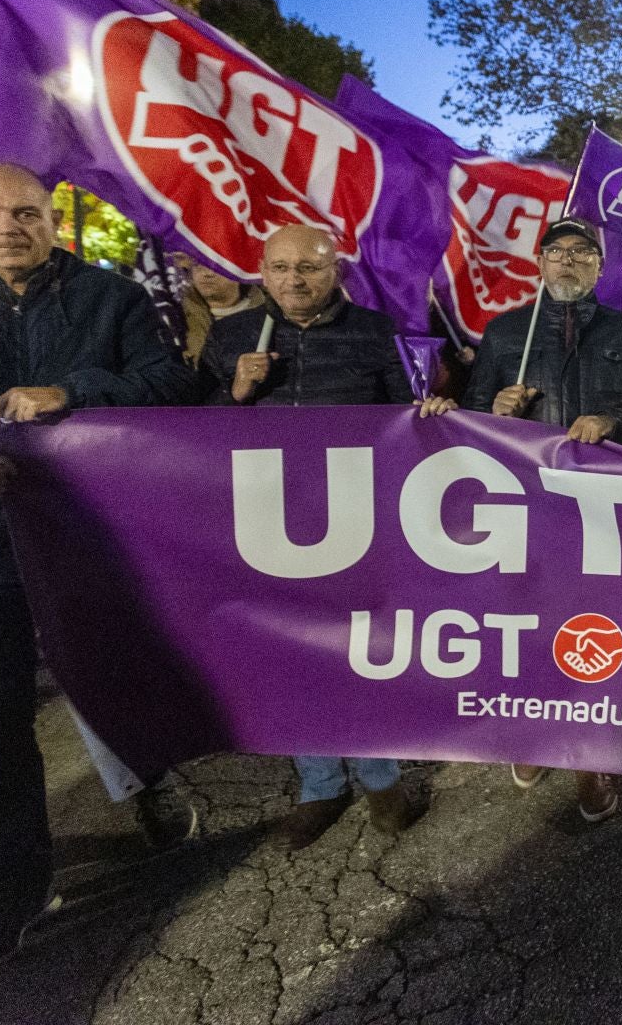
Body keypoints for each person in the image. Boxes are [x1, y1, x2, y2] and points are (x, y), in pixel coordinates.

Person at [0, 164, 200, 975]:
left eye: (27, 212)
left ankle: (149, 784)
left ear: (55, 220)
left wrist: (72, 392)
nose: (8, 226)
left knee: (117, 681)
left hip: (90, 541)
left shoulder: (109, 300)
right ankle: (17, 883)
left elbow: (168, 387)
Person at [203, 223, 454, 850]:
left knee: (361, 652)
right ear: (263, 271)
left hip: (357, 524)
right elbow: (187, 435)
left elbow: (410, 415)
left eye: (309, 268)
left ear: (335, 271)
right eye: (281, 267)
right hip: (263, 526)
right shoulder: (233, 338)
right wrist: (235, 392)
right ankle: (319, 784)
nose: (294, 280)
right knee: (287, 658)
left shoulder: (376, 333)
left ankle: (380, 778)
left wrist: (434, 413)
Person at [463, 218, 622, 822]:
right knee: (527, 624)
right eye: (557, 252)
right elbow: (474, 420)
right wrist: (495, 408)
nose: (569, 262)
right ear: (539, 263)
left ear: (599, 267)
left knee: (603, 627)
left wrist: (613, 420)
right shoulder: (506, 332)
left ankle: (594, 755)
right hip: (527, 505)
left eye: (583, 253)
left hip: (605, 506)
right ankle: (533, 734)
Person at [174, 255, 265, 364]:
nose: (206, 274)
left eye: (218, 266)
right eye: (198, 265)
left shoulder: (271, 314)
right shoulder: (177, 319)